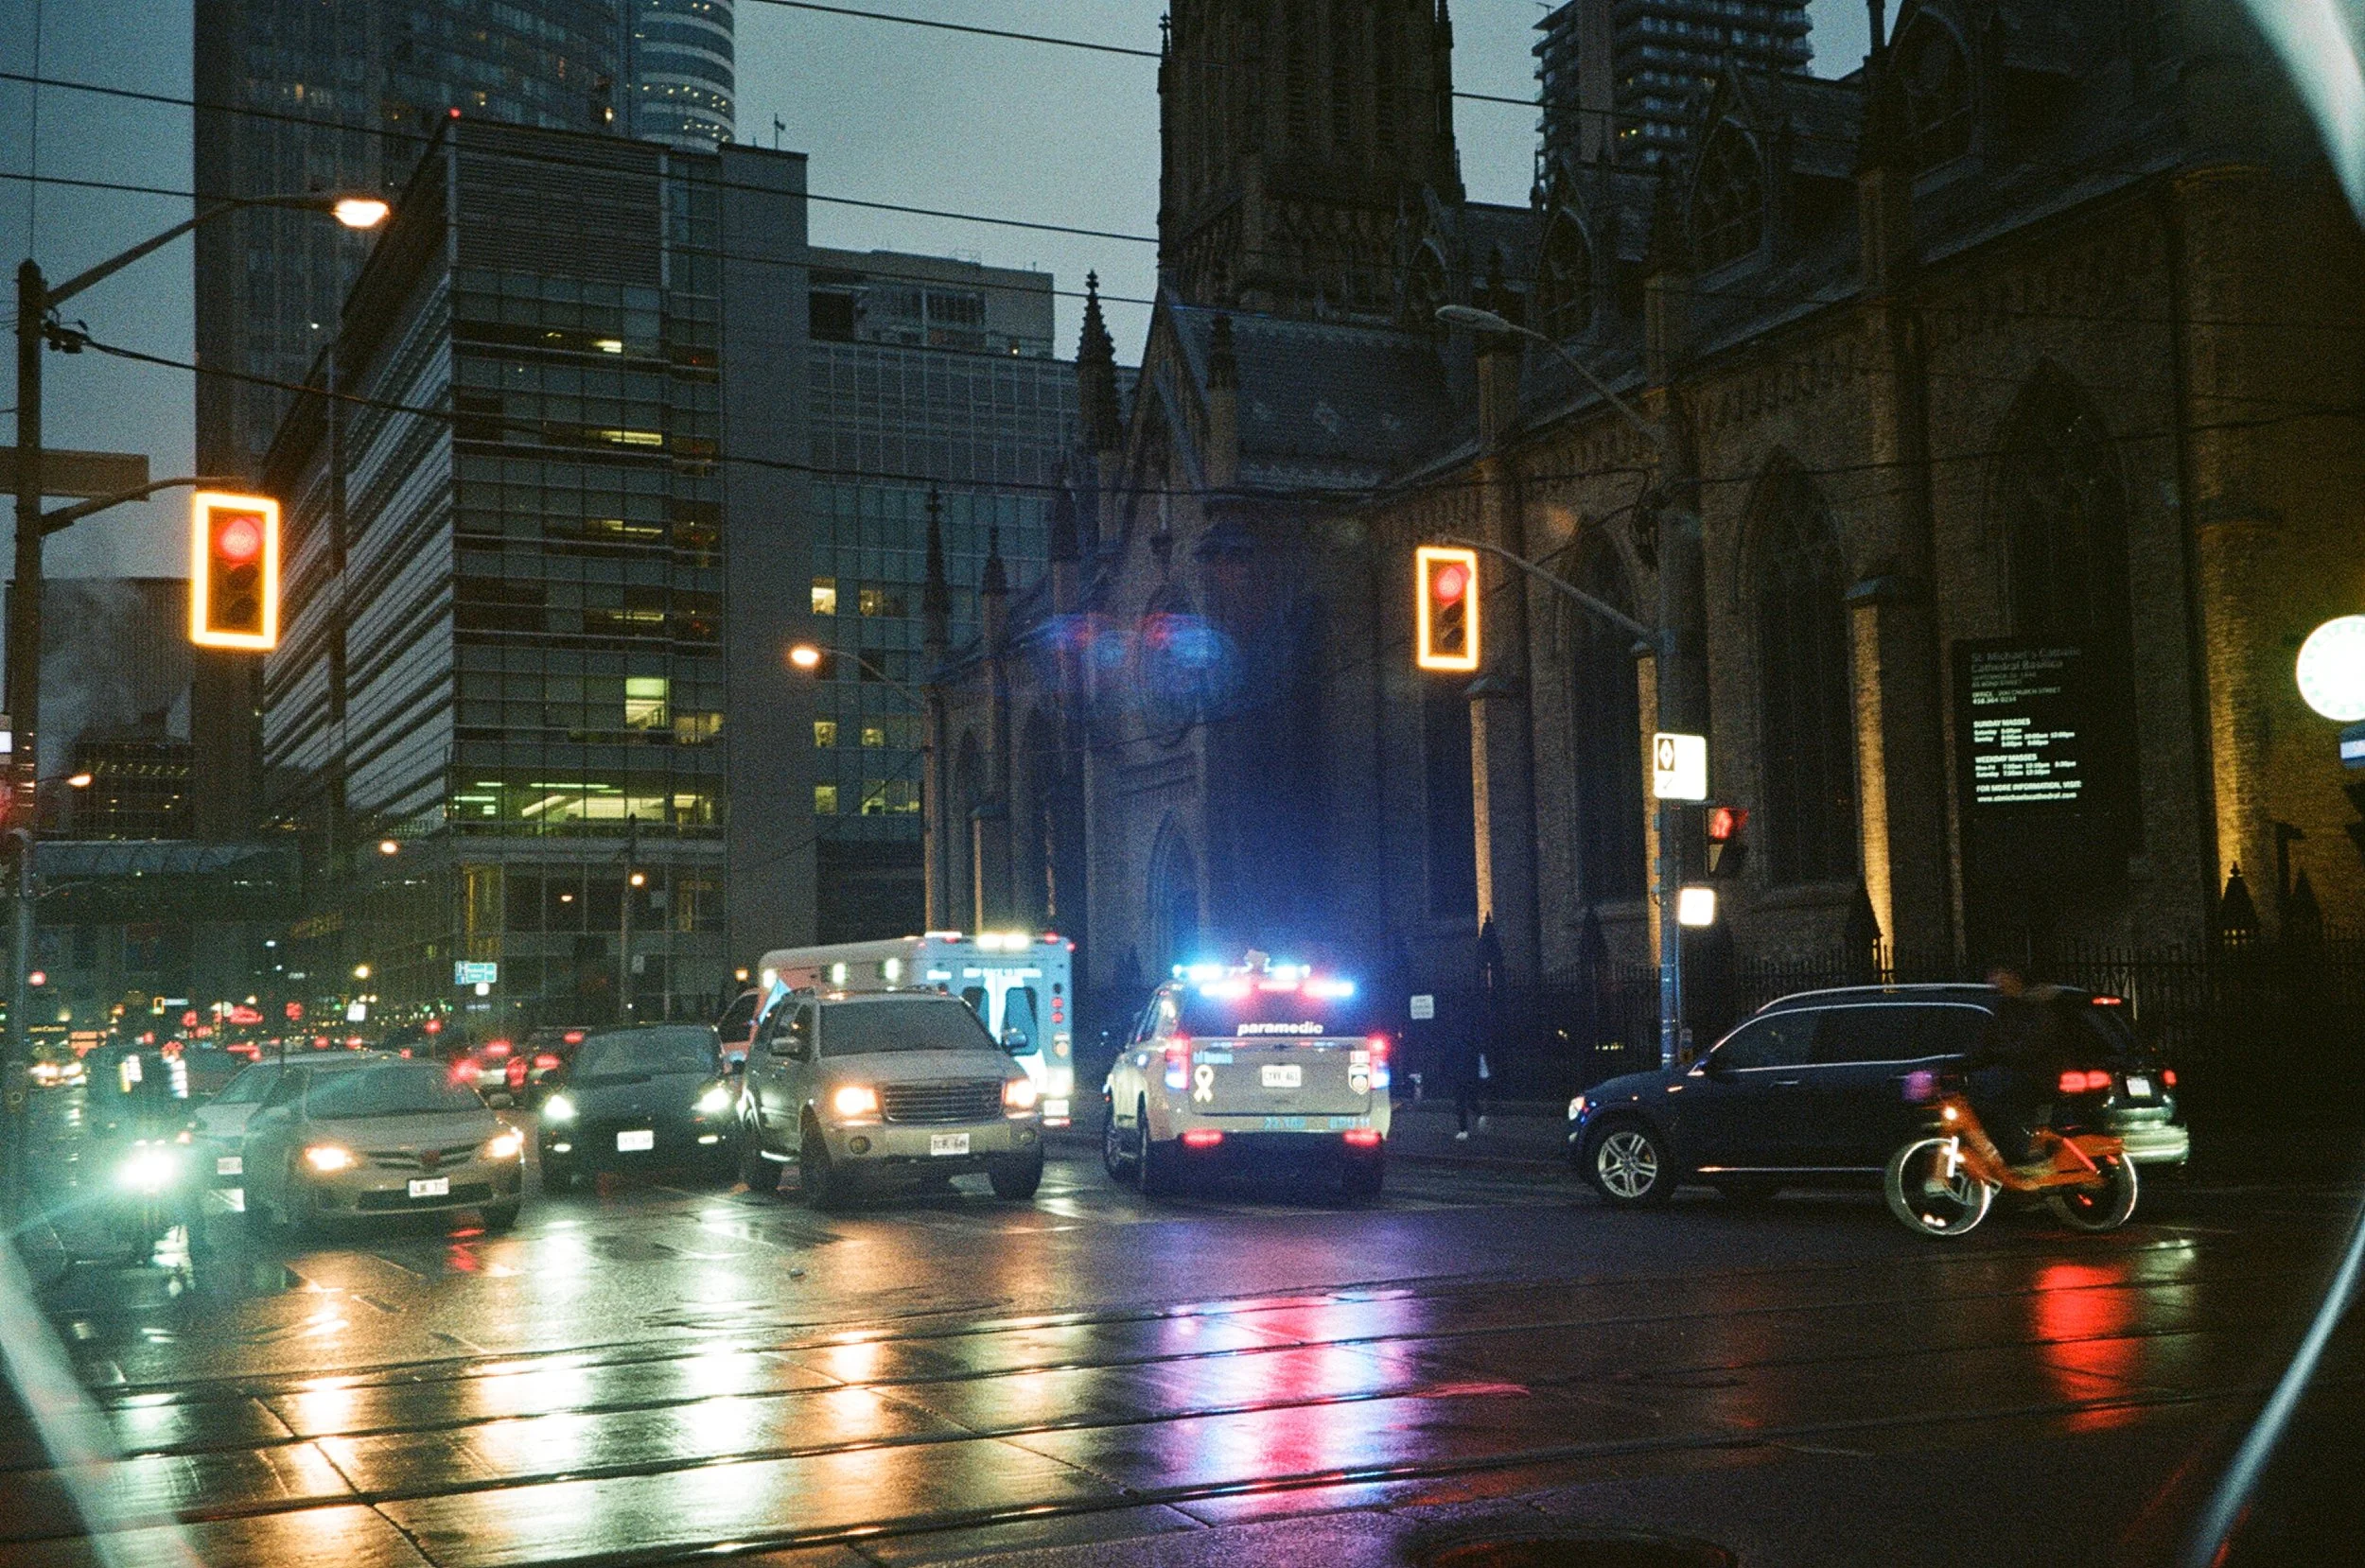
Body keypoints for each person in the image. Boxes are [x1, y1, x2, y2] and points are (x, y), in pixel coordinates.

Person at [1964, 966, 2076, 1171]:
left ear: (2014, 978)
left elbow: (2032, 1045)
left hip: (2039, 1074)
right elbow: (1986, 1040)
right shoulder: (2005, 1006)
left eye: (1999, 976)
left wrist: (1998, 1053)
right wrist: (1968, 1060)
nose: (1994, 982)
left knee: (1994, 1091)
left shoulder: (2036, 1007)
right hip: (2018, 1070)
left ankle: (2018, 1151)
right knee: (1982, 1089)